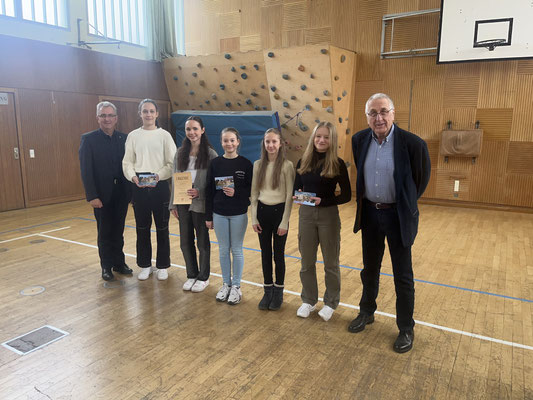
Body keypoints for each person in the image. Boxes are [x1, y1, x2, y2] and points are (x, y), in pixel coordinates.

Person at [349, 93, 431, 353]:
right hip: (371, 215)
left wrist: (404, 204)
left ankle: (406, 328)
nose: (379, 117)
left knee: (403, 276)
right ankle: (366, 311)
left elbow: (420, 179)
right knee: (369, 269)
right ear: (367, 117)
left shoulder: (413, 144)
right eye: (373, 113)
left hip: (398, 217)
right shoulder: (359, 140)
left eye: (383, 111)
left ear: (393, 113)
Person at [294, 121, 351, 321]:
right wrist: (298, 195)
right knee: (306, 262)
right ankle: (308, 300)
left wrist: (323, 201)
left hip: (328, 217)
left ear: (332, 140)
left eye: (326, 137)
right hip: (306, 216)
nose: (321, 140)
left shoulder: (337, 163)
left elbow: (346, 196)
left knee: (331, 263)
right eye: (318, 136)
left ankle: (330, 302)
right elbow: (297, 188)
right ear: (313, 138)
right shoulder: (303, 161)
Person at [122, 99, 177, 281]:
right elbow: (127, 162)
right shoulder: (133, 136)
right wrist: (133, 177)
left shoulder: (165, 136)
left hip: (159, 186)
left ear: (157, 114)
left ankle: (162, 265)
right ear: (140, 113)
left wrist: (159, 176)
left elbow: (172, 163)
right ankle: (145, 265)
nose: (148, 114)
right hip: (139, 186)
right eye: (145, 111)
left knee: (162, 227)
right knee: (142, 228)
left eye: (151, 111)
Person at [79, 101, 132, 281]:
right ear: (97, 118)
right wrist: (92, 195)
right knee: (104, 232)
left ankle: (119, 263)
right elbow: (86, 170)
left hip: (121, 194)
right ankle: (106, 266)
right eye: (103, 115)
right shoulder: (88, 139)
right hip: (101, 196)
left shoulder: (124, 139)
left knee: (118, 230)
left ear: (116, 118)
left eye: (110, 115)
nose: (107, 119)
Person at [169, 116, 217, 292]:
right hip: (182, 204)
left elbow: (214, 184)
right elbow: (175, 179)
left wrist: (200, 192)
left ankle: (203, 277)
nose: (192, 132)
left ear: (202, 130)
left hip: (201, 204)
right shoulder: (180, 152)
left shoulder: (211, 154)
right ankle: (191, 274)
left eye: (195, 129)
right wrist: (173, 204)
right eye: (189, 129)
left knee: (202, 243)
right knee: (185, 241)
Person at [205, 128, 253, 305]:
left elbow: (250, 189)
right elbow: (209, 190)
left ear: (238, 141)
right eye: (226, 141)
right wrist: (209, 216)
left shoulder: (246, 164)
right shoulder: (215, 163)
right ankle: (226, 284)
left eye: (232, 140)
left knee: (237, 250)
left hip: (239, 213)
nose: (229, 144)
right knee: (223, 250)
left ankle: (237, 287)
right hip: (219, 213)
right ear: (221, 142)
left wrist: (237, 192)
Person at [251, 128, 295, 310]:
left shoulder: (287, 166)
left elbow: (289, 195)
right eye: (267, 141)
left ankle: (278, 292)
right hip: (262, 213)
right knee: (265, 254)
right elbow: (254, 193)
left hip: (279, 214)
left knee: (278, 255)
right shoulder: (258, 165)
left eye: (274, 142)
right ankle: (267, 290)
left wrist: (284, 221)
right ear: (264, 143)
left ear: (280, 144)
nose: (270, 145)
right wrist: (254, 218)